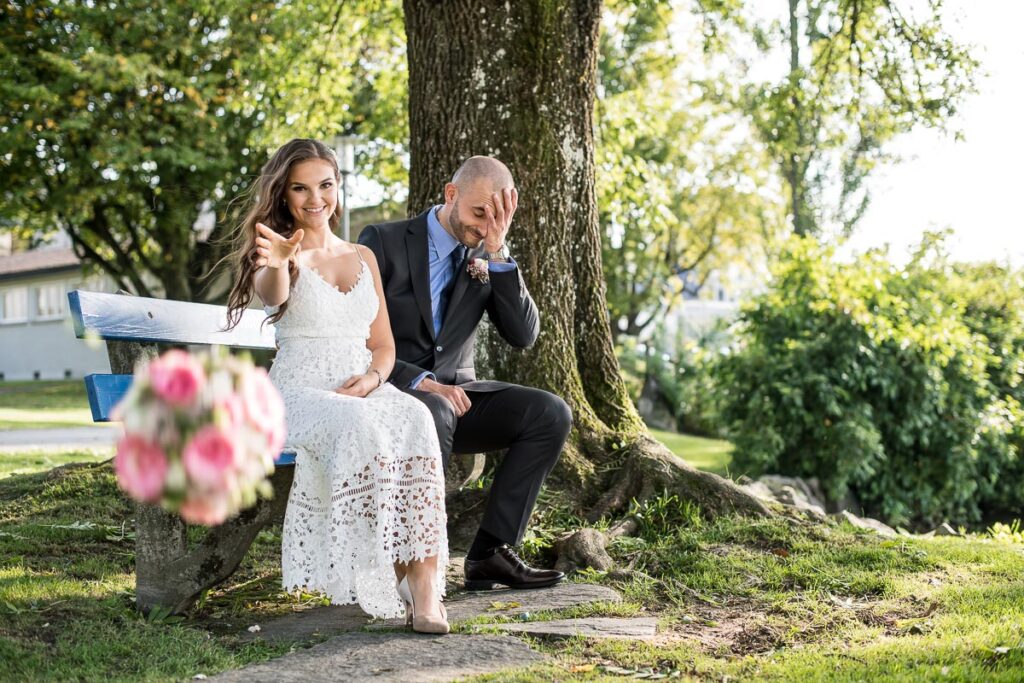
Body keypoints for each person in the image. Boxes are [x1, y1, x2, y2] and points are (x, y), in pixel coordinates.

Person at [224, 139, 449, 633]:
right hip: (298, 391)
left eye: (324, 185)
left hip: (362, 387)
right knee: (358, 425)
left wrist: (372, 379)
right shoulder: (276, 251)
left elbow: (383, 346)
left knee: (416, 416)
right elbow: (272, 294)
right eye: (300, 189)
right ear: (283, 194)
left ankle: (424, 583)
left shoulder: (363, 256)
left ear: (337, 187)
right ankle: (397, 574)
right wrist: (280, 260)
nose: (315, 199)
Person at [359, 156, 572, 591]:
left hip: (457, 397)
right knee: (434, 410)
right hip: (392, 389)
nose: (484, 226)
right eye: (479, 213)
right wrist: (421, 381)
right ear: (451, 194)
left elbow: (523, 335)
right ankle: (419, 563)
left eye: (496, 217)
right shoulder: (383, 240)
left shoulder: (486, 252)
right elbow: (355, 334)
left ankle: (490, 552)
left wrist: (498, 252)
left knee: (551, 413)